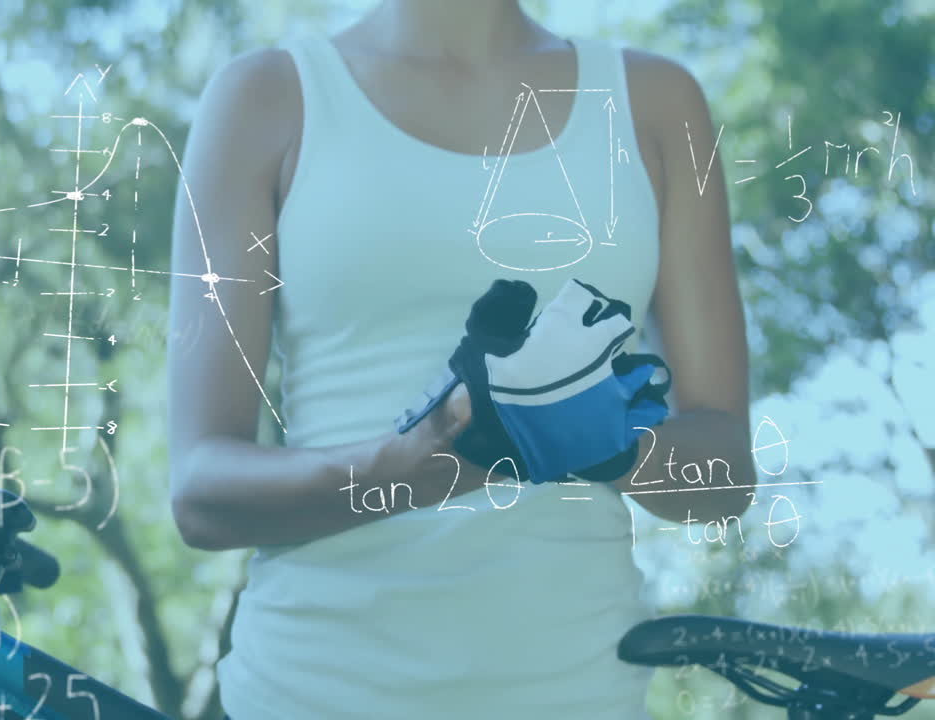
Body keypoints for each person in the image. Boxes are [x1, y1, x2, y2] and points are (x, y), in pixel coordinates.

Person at [167, 1, 756, 717]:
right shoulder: (264, 97)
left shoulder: (657, 104)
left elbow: (725, 473)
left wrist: (588, 440)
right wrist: (419, 460)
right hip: (311, 692)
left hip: (577, 694)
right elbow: (200, 492)